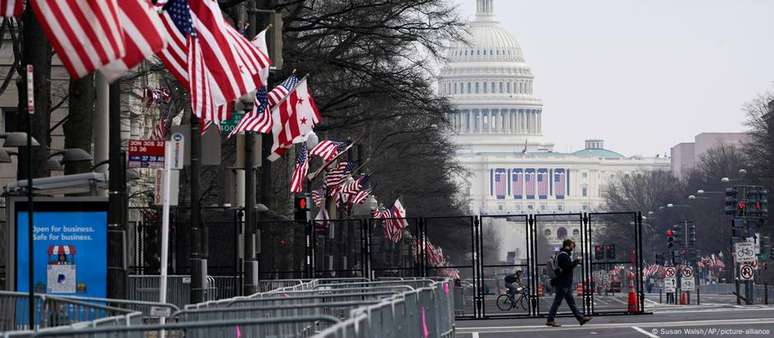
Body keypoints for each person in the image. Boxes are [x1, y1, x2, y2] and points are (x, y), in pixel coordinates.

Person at [546, 239, 592, 327]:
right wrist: (576, 261)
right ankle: (550, 320)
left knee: (571, 302)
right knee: (557, 302)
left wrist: (574, 262)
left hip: (565, 282)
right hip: (563, 282)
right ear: (567, 245)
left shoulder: (564, 255)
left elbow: (566, 268)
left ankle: (580, 318)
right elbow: (567, 268)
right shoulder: (563, 255)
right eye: (572, 245)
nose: (573, 247)